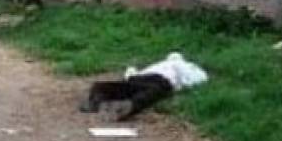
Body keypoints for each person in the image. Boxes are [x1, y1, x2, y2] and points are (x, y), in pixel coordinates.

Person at [79, 52, 208, 121]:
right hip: (158, 80)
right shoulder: (181, 66)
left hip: (145, 78)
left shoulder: (167, 64)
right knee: (151, 91)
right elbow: (199, 79)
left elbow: (131, 73)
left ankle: (101, 101)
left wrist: (130, 72)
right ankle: (127, 105)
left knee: (127, 88)